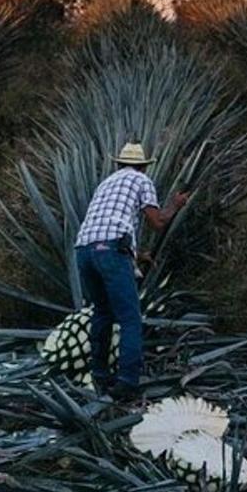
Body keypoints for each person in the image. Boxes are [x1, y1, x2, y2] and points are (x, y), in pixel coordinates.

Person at [74, 142, 188, 401]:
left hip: (83, 252)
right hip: (111, 251)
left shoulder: (105, 184)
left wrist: (136, 255)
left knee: (102, 313)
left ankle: (100, 375)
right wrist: (176, 204)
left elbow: (101, 233)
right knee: (130, 318)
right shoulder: (140, 180)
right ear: (143, 166)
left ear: (119, 164)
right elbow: (157, 222)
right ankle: (127, 382)